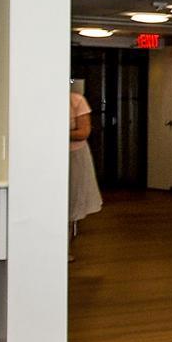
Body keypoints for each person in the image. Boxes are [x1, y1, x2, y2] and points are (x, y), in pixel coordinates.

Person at [70, 82, 103, 233]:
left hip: (74, 155)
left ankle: (66, 246)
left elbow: (83, 132)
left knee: (73, 198)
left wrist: (59, 133)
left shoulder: (76, 100)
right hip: (49, 156)